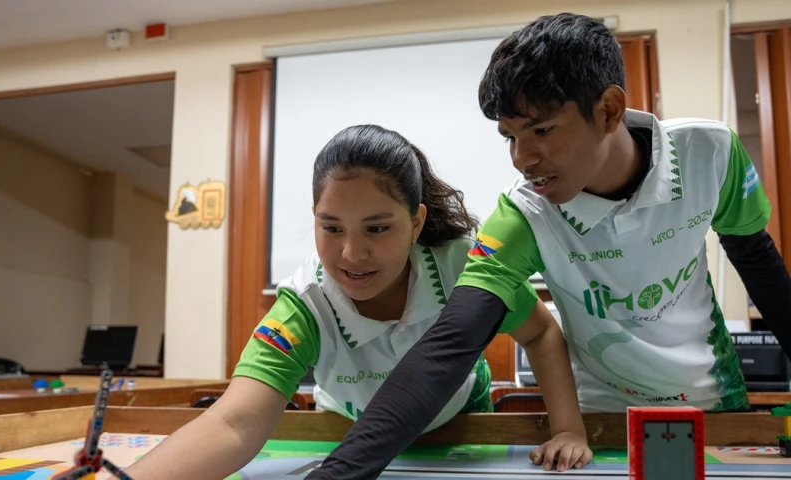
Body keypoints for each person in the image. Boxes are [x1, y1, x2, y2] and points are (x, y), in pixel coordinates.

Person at [305, 13, 791, 480]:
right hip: (603, 417)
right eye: (509, 137)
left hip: (712, 403)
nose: (522, 158)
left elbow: (758, 262)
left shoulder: (710, 153)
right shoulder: (524, 214)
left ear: (609, 110)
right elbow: (451, 342)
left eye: (541, 130)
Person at [116, 124, 591, 479]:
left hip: (461, 426)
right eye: (331, 227)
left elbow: (540, 332)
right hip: (349, 436)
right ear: (315, 218)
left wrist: (569, 429)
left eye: (377, 228)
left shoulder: (465, 265)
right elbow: (234, 423)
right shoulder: (305, 303)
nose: (351, 253)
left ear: (417, 222)